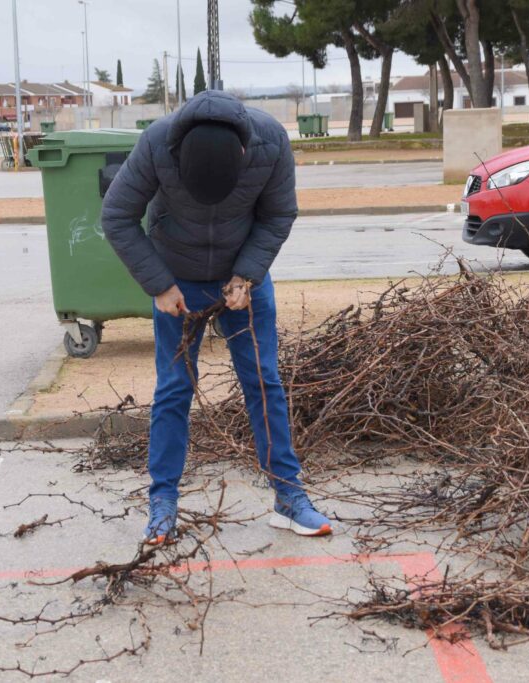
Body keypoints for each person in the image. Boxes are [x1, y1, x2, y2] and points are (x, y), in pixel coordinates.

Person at [102, 90, 331, 544]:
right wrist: (160, 285)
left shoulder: (270, 141)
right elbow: (117, 215)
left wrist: (246, 275)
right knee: (174, 388)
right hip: (176, 281)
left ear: (244, 153)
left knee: (263, 382)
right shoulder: (157, 142)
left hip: (242, 278)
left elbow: (278, 213)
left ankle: (288, 497)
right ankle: (163, 502)